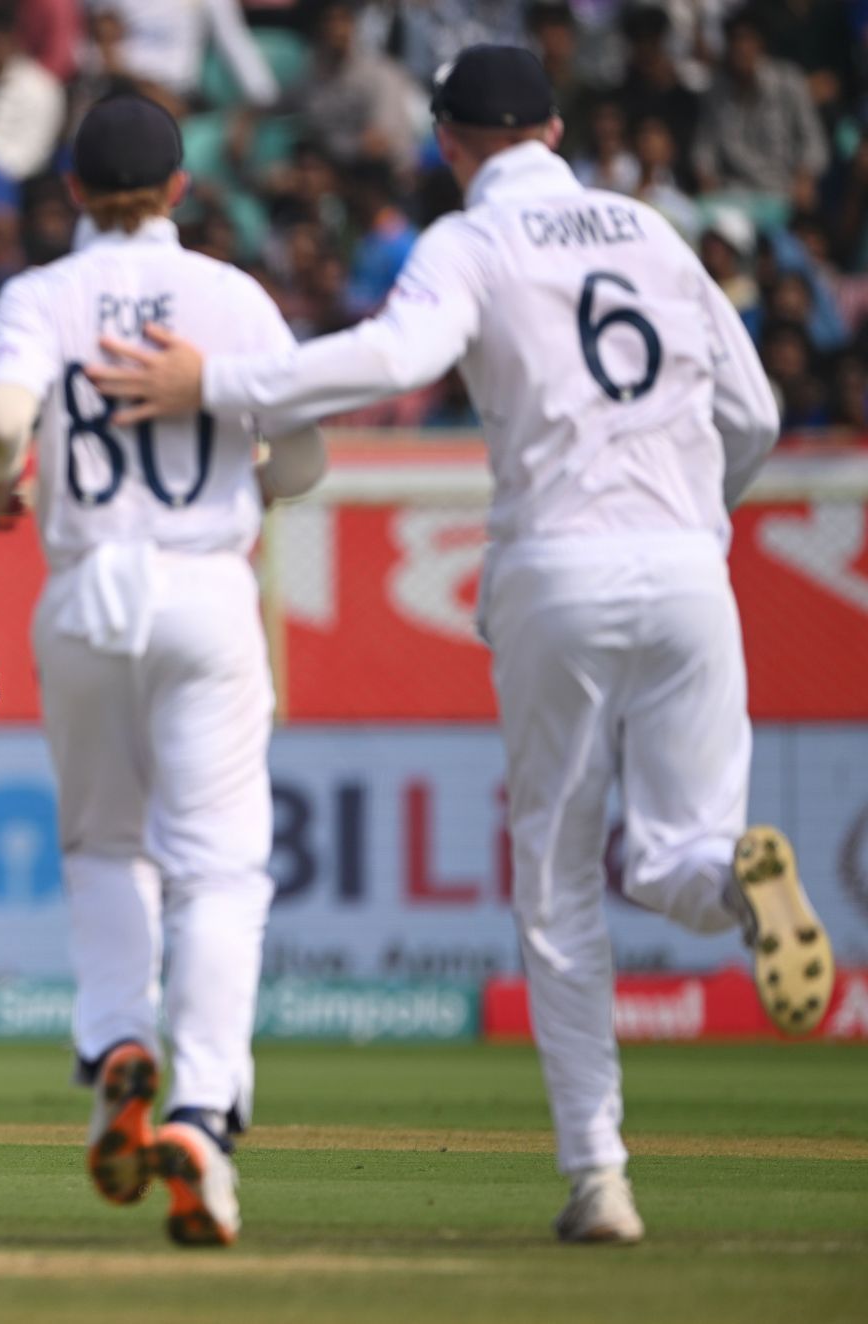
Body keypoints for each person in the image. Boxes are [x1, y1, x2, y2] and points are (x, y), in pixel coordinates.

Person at [82, 46, 836, 1246]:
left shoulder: (472, 245)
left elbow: (395, 359)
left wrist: (217, 381)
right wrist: (695, 512)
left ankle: (602, 1177)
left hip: (557, 566)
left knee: (558, 885)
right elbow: (749, 410)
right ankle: (735, 885)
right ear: (552, 125)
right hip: (692, 565)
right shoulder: (652, 230)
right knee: (678, 855)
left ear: (449, 141)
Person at [0, 94, 327, 1248]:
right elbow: (305, 454)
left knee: (105, 845)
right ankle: (203, 1114)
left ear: (72, 190)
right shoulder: (234, 296)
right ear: (180, 189)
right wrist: (248, 479)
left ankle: (118, 1034)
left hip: (82, 592)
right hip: (204, 585)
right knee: (220, 868)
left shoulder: (39, 295)